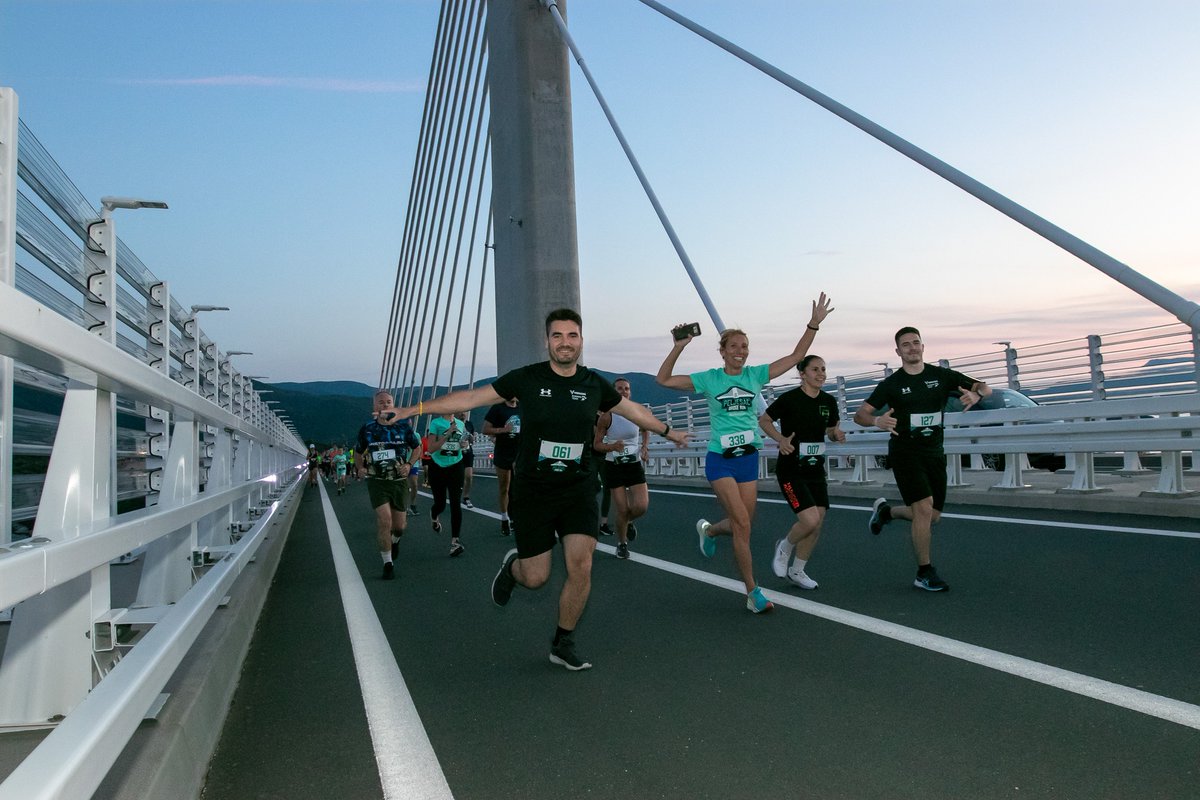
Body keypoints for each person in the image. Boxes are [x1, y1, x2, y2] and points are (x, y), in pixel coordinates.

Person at [391, 308, 689, 671]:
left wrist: (668, 432)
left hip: (578, 487)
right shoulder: (527, 378)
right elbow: (470, 399)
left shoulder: (593, 384)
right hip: (534, 490)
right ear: (547, 341)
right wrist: (414, 409)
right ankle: (513, 569)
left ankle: (563, 642)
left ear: (581, 340)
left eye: (572, 335)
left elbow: (633, 411)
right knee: (536, 577)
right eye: (557, 336)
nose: (565, 342)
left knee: (581, 564)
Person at [657, 293, 833, 614]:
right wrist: (679, 346)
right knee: (742, 524)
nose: (740, 351)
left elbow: (796, 356)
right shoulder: (710, 379)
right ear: (723, 351)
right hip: (720, 461)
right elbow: (664, 379)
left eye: (745, 346)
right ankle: (753, 592)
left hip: (748, 460)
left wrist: (813, 324)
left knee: (743, 524)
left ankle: (709, 530)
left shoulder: (755, 375)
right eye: (734, 346)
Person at [852, 326, 991, 592]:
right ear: (898, 352)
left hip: (934, 453)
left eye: (916, 342)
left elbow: (985, 387)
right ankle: (924, 572)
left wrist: (977, 393)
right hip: (905, 453)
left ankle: (886, 512)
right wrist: (877, 421)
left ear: (923, 347)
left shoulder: (941, 376)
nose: (912, 348)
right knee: (924, 509)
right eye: (906, 345)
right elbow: (860, 415)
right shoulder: (891, 384)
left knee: (932, 516)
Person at [758, 355, 845, 589]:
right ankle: (784, 546)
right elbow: (764, 421)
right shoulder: (790, 399)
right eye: (815, 369)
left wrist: (835, 435)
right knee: (809, 520)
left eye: (823, 369)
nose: (821, 374)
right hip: (791, 470)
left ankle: (797, 571)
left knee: (817, 522)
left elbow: (831, 430)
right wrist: (780, 439)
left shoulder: (828, 401)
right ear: (802, 374)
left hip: (815, 469)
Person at [357, 390, 422, 581]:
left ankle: (395, 540)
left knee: (399, 526)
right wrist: (360, 467)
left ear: (393, 405)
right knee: (385, 521)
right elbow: (358, 451)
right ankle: (387, 564)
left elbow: (417, 448)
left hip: (398, 481)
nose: (385, 405)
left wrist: (409, 464)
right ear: (374, 406)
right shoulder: (368, 428)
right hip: (377, 481)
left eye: (388, 402)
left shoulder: (403, 426)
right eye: (381, 402)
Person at [593, 377, 650, 559]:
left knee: (641, 506)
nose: (623, 391)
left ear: (630, 392)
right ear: (613, 392)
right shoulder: (606, 417)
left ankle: (629, 522)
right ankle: (622, 544)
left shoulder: (636, 412)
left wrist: (644, 447)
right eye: (619, 388)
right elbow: (597, 445)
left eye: (626, 388)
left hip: (633, 465)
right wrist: (612, 447)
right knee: (622, 509)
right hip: (614, 466)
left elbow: (646, 429)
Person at [427, 411, 467, 557]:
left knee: (456, 503)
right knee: (441, 504)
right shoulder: (435, 423)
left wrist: (464, 444)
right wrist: (447, 434)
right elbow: (431, 448)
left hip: (456, 465)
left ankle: (455, 542)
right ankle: (434, 515)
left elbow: (461, 443)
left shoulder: (460, 424)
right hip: (437, 467)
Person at [483, 396, 521, 535]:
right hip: (503, 452)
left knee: (517, 488)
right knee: (505, 487)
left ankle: (515, 518)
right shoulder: (498, 408)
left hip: (519, 453)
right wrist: (503, 430)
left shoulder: (523, 408)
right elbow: (485, 429)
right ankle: (504, 518)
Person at [457, 412, 476, 508]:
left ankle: (466, 497)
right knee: (458, 477)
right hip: (457, 453)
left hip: (468, 452)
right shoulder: (453, 424)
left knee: (469, 476)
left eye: (464, 412)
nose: (463, 414)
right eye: (461, 412)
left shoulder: (469, 424)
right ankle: (456, 495)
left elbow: (472, 440)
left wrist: (472, 438)